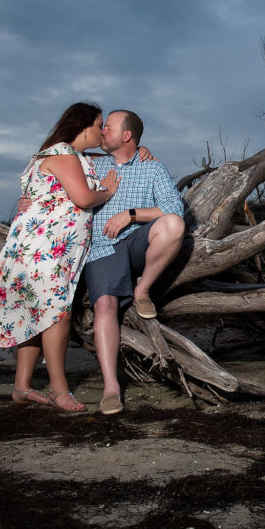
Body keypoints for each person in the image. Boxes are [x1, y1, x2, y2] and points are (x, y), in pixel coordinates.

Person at [0, 102, 119, 412]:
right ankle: (59, 389)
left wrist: (143, 149)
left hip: (46, 247)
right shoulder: (63, 154)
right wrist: (106, 192)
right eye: (99, 124)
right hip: (45, 249)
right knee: (57, 315)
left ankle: (22, 387)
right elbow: (82, 198)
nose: (102, 130)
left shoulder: (61, 155)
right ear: (84, 127)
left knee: (34, 314)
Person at [83, 109, 185, 415]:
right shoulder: (91, 164)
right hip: (102, 247)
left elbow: (173, 208)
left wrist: (131, 215)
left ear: (127, 136)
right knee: (105, 305)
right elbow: (56, 161)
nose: (102, 132)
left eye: (108, 128)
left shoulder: (151, 167)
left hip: (139, 241)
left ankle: (143, 290)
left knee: (174, 225)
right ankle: (111, 387)